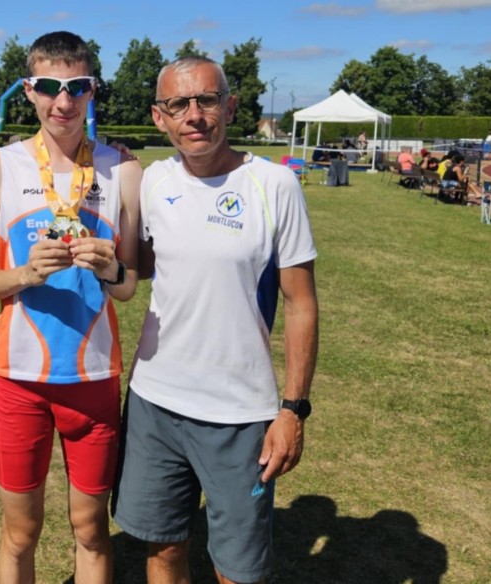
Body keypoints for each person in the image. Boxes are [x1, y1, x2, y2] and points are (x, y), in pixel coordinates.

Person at [112, 56, 319, 584]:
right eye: (177, 104)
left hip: (240, 414)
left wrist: (293, 410)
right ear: (159, 116)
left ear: (229, 107)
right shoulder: (154, 180)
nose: (194, 115)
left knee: (237, 571)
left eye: (206, 100)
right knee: (163, 550)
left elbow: (301, 303)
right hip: (155, 402)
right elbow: (150, 265)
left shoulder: (274, 184)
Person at [0, 31, 141, 584]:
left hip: (93, 379)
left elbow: (127, 287)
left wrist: (110, 268)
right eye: (48, 86)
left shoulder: (123, 171)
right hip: (20, 382)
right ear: (29, 90)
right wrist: (25, 274)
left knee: (91, 529)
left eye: (76, 87)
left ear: (92, 90)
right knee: (20, 532)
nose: (62, 101)